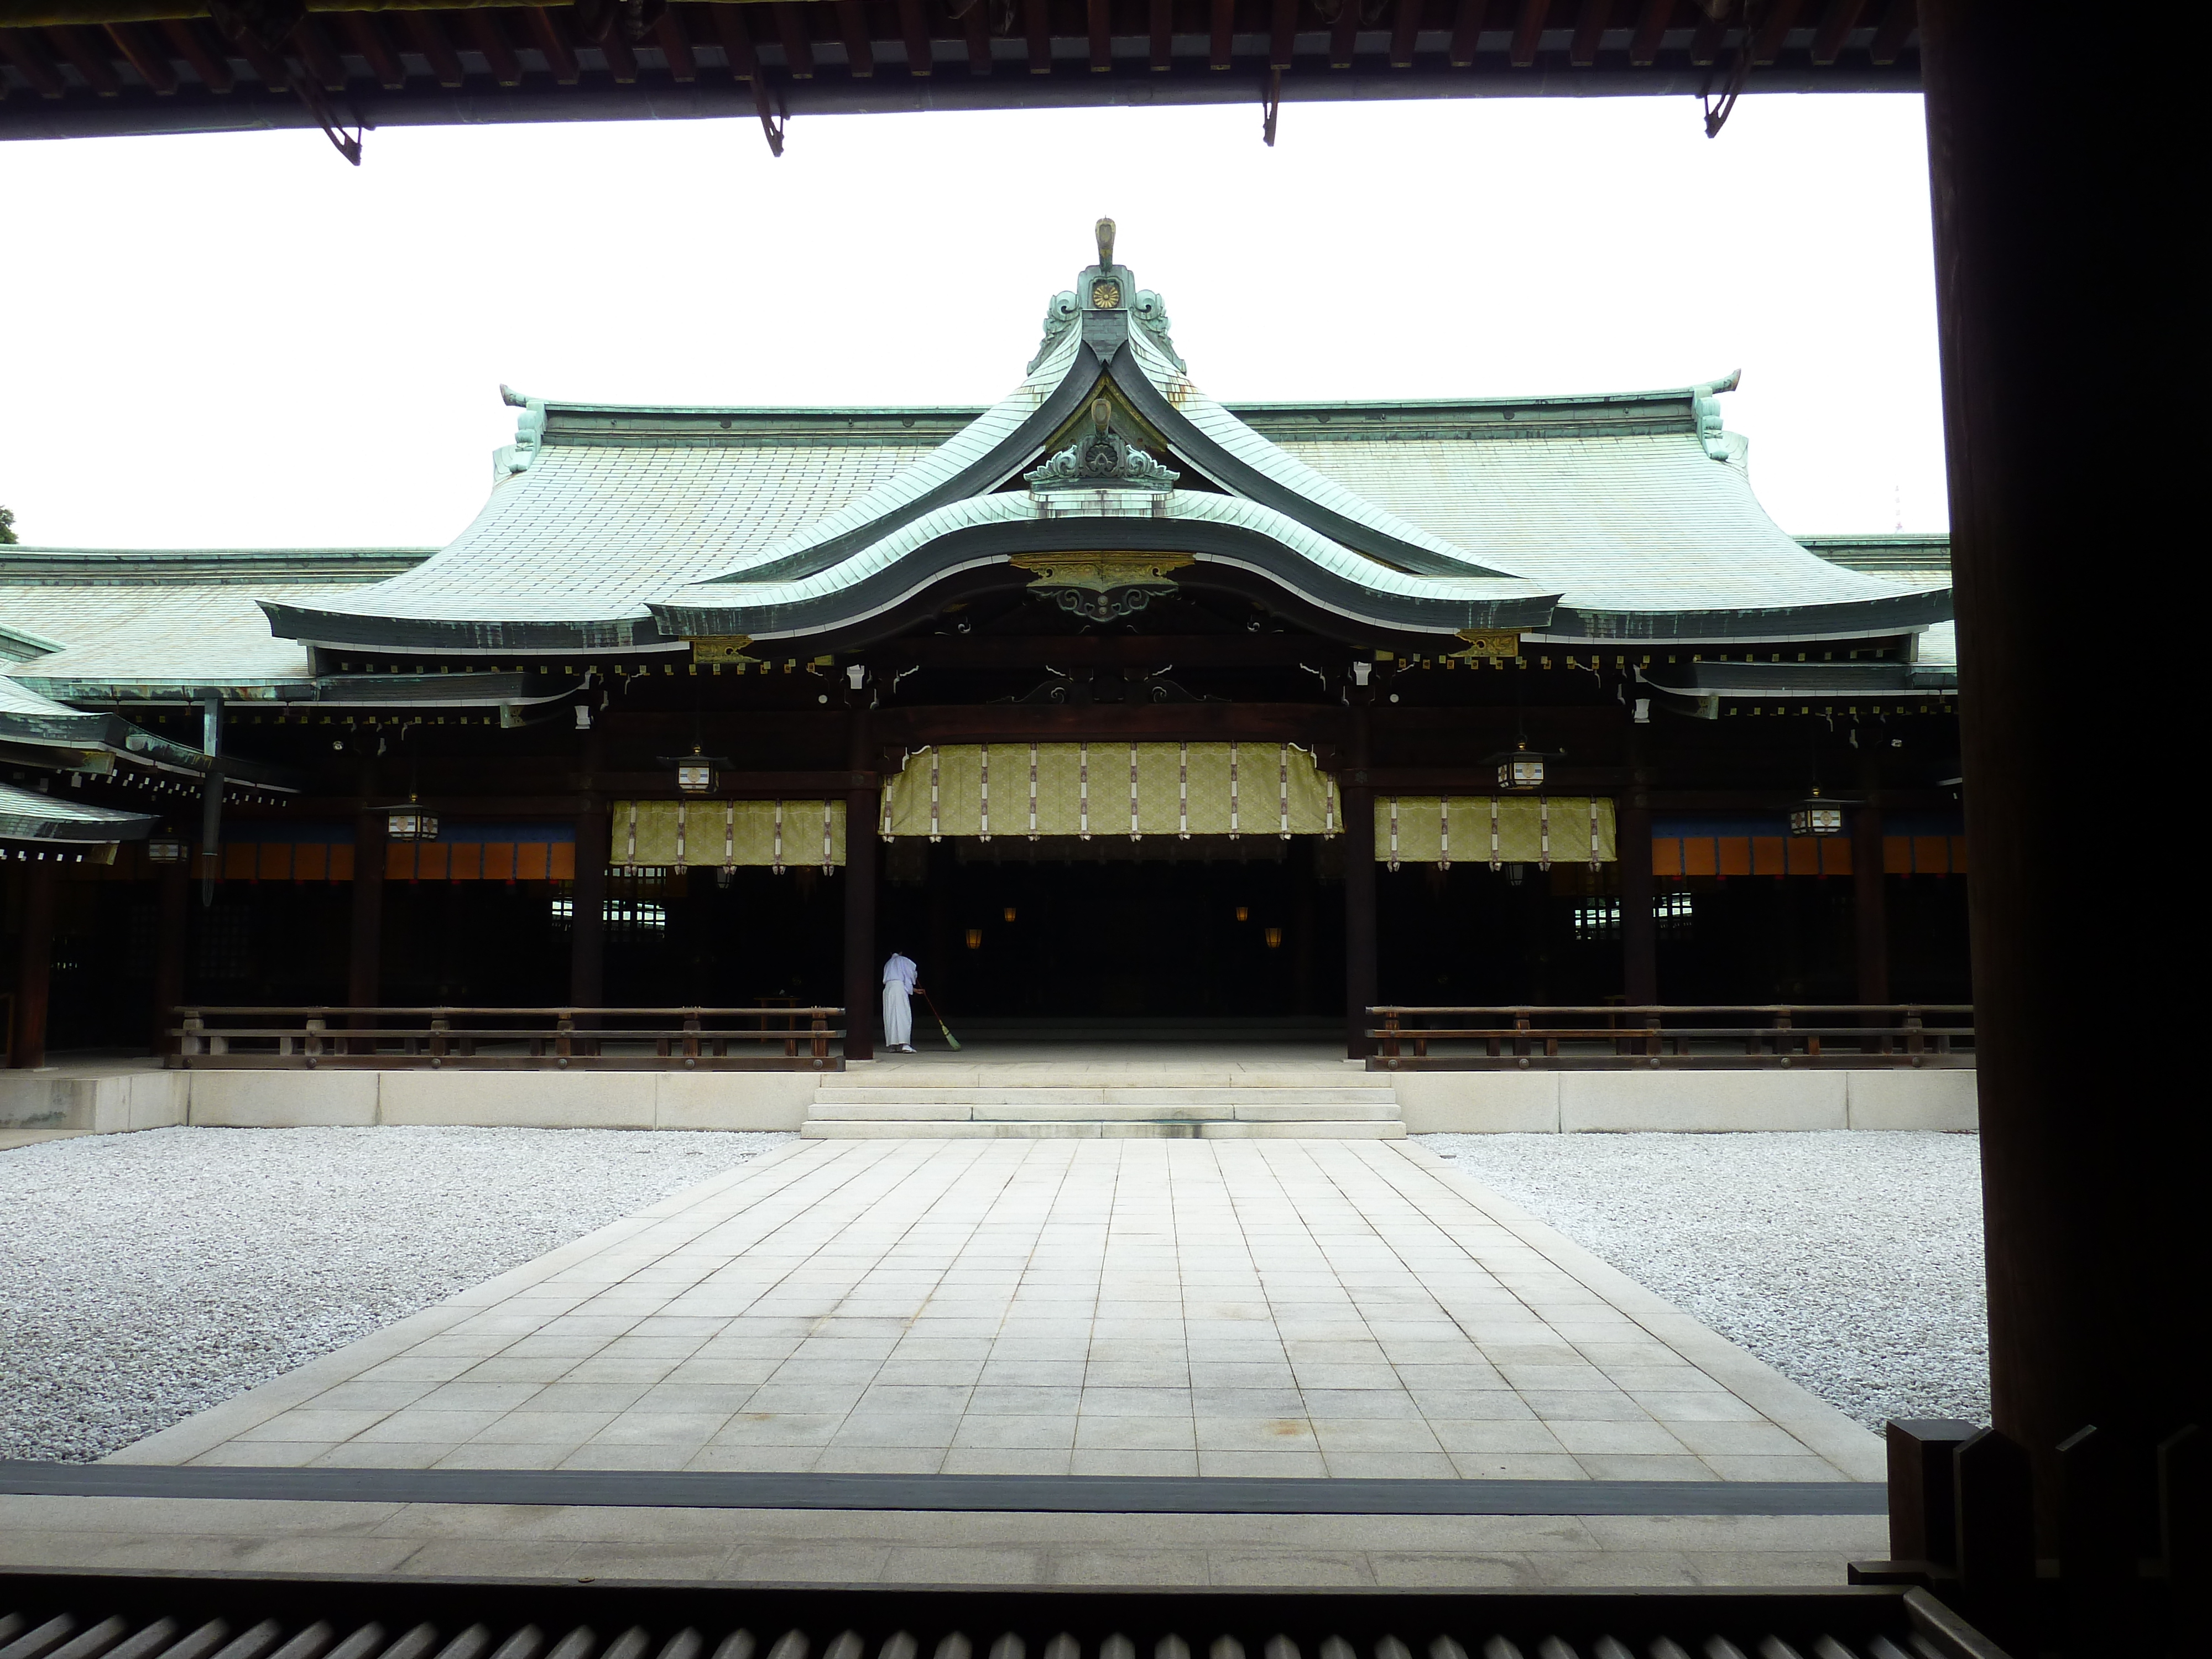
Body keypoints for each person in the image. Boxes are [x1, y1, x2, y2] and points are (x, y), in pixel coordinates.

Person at [881, 950, 920, 1053]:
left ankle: (892, 1046)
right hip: (899, 989)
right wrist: (914, 979)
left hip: (888, 990)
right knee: (903, 1015)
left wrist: (913, 989)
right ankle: (905, 1045)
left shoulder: (888, 963)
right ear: (901, 952)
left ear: (891, 953)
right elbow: (912, 971)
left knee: (891, 1016)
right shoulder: (904, 960)